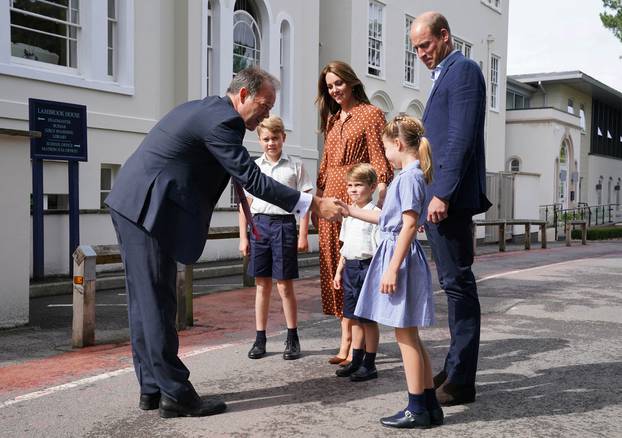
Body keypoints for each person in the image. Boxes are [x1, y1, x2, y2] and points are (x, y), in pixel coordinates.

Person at [105, 67, 344, 419]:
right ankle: (176, 394)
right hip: (147, 209)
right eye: (264, 105)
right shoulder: (224, 122)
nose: (267, 114)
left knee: (144, 303)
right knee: (157, 303)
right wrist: (312, 203)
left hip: (134, 203)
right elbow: (253, 180)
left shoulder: (208, 109)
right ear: (244, 95)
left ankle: (153, 388)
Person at [410, 12, 492, 406]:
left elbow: (459, 138)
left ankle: (461, 379)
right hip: (442, 199)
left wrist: (440, 194)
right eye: (416, 49)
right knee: (453, 285)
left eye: (425, 45)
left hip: (450, 200)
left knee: (459, 287)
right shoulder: (446, 73)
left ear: (445, 36)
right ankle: (454, 367)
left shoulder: (464, 70)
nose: (421, 54)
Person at [341, 115, 443, 429]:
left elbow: (410, 225)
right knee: (409, 334)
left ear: (397, 145)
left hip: (400, 259)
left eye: (386, 149)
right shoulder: (409, 175)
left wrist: (392, 269)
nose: (385, 155)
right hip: (397, 254)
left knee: (405, 334)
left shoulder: (408, 178)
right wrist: (349, 210)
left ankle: (417, 407)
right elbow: (389, 220)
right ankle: (428, 405)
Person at [314, 61, 393, 365]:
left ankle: (355, 343)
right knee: (335, 268)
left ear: (351, 81)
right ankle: (345, 338)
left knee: (354, 266)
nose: (334, 90)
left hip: (354, 199)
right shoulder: (332, 120)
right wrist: (318, 199)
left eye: (338, 83)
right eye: (329, 86)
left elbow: (379, 158)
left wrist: (383, 191)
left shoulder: (371, 114)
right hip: (329, 201)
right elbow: (323, 166)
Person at [238, 115, 313, 361]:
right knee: (262, 285)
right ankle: (260, 338)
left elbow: (305, 203)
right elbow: (244, 207)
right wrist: (244, 238)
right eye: (266, 139)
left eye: (275, 138)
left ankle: (292, 337)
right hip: (259, 226)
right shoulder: (254, 167)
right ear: (259, 140)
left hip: (284, 226)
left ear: (283, 138)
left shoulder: (295, 166)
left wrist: (303, 234)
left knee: (284, 285)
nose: (271, 143)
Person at [332, 163, 381, 382]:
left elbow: (379, 248)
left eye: (358, 185)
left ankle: (370, 364)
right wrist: (339, 271)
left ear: (372, 187)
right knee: (354, 318)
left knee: (368, 319)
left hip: (367, 267)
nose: (352, 189)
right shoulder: (348, 214)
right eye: (350, 185)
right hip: (351, 268)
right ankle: (356, 360)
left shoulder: (375, 214)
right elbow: (346, 246)